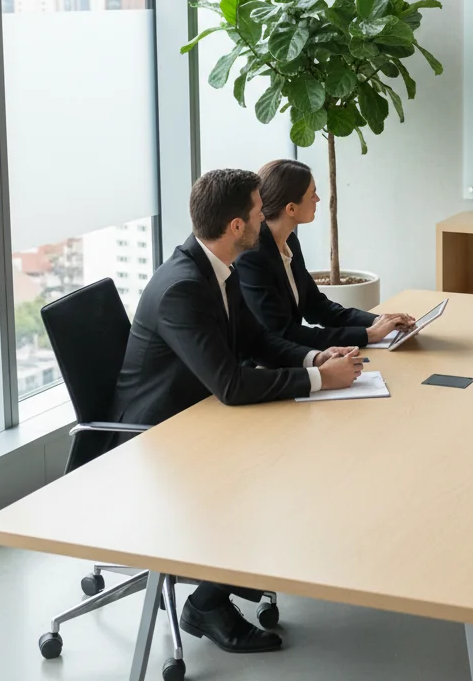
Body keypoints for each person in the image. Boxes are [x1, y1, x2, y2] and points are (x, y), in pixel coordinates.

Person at [111, 169, 364, 655]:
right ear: (234, 226)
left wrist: (316, 359)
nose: (262, 216)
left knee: (302, 454)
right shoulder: (184, 286)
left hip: (199, 414)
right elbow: (229, 384)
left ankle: (229, 570)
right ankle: (207, 600)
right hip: (156, 436)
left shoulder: (218, 268)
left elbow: (257, 340)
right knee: (276, 475)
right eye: (255, 210)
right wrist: (317, 381)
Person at [235, 159, 415, 346]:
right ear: (291, 208)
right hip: (262, 367)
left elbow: (318, 308)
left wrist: (379, 321)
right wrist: (368, 335)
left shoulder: (289, 241)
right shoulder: (252, 257)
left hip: (290, 358)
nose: (318, 199)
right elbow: (284, 333)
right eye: (312, 194)